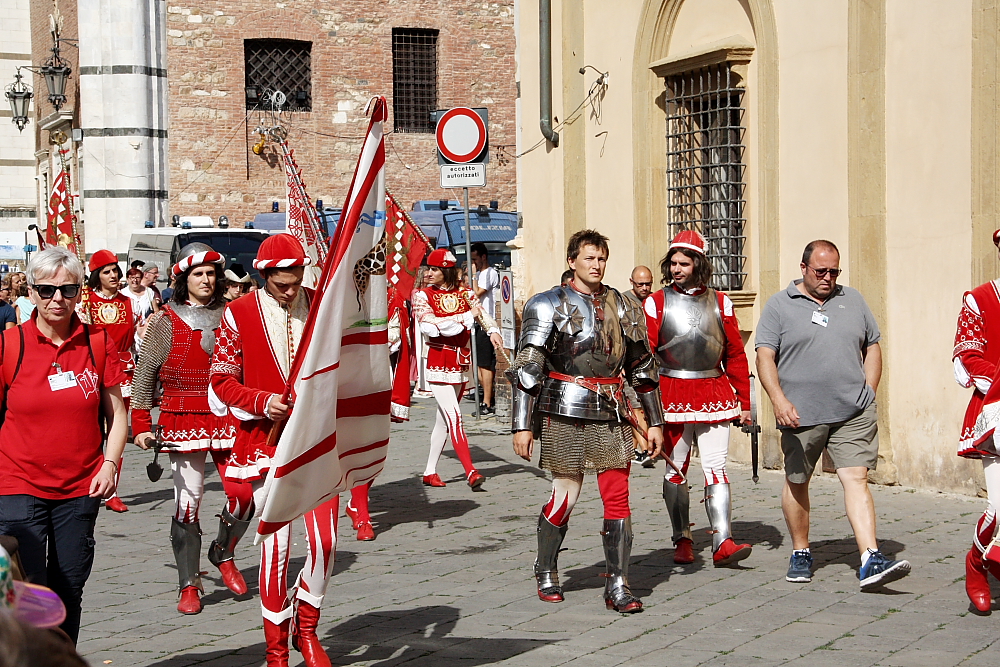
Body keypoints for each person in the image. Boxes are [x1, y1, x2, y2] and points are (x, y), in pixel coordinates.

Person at [510, 229, 666, 612]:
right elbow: (528, 368)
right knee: (566, 495)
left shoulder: (624, 305)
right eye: (589, 258)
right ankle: (545, 567)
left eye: (601, 259)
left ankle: (618, 583)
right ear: (572, 261)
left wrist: (655, 420)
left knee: (618, 497)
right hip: (565, 410)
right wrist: (522, 424)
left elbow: (641, 366)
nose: (596, 265)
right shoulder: (547, 304)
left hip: (613, 410)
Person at [209, 233, 339, 667]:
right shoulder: (238, 313)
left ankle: (307, 627)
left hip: (318, 440)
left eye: (296, 278)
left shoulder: (321, 304)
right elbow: (222, 380)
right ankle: (277, 650)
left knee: (324, 541)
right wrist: (263, 401)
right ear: (264, 276)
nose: (290, 289)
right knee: (276, 547)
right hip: (264, 442)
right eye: (281, 283)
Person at [755, 239, 911, 591]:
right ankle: (800, 550)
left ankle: (870, 557)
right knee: (798, 479)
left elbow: (872, 344)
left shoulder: (852, 299)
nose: (828, 277)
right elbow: (764, 356)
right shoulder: (780, 305)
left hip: (852, 411)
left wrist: (868, 390)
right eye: (820, 271)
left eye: (834, 271)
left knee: (856, 477)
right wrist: (778, 400)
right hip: (800, 413)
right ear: (803, 268)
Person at [0, 246, 128, 643]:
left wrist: (110, 464)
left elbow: (117, 413)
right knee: (30, 593)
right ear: (32, 292)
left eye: (68, 290)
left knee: (69, 589)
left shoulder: (96, 342)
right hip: (18, 483)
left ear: (79, 292)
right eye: (46, 290)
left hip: (80, 486)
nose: (58, 299)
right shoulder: (9, 345)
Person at [130, 243, 245, 615]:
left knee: (244, 492)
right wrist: (141, 424)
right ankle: (189, 584)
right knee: (188, 499)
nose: (207, 279)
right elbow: (145, 374)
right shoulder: (165, 320)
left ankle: (223, 551)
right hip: (184, 414)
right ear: (183, 279)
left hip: (229, 413)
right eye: (199, 273)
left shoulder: (233, 314)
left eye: (212, 273)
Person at [643, 231, 753, 567]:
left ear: (698, 264)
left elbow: (734, 354)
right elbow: (646, 355)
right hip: (672, 392)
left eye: (683, 263)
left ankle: (723, 540)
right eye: (673, 263)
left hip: (713, 391)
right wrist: (643, 404)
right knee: (676, 470)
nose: (676, 268)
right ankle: (682, 539)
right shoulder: (656, 302)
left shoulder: (721, 302)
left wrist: (745, 402)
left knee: (716, 467)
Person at [413, 248, 502, 490]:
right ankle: (470, 470)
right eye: (428, 269)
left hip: (461, 363)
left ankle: (430, 471)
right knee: (455, 417)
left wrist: (493, 331)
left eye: (434, 269)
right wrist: (465, 318)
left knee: (443, 421)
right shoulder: (421, 295)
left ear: (446, 271)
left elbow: (481, 314)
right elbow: (431, 327)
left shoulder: (464, 293)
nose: (429, 273)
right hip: (437, 361)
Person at [951, 229, 1000, 611]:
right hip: (995, 411)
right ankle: (977, 563)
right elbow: (968, 358)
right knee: (999, 508)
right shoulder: (979, 299)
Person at [79, 250, 136, 514]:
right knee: (92, 429)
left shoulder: (127, 301)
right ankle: (88, 481)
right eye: (106, 271)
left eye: (115, 270)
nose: (113, 275)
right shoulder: (86, 301)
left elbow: (134, 339)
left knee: (117, 426)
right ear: (96, 276)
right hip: (94, 367)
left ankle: (113, 489)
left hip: (122, 370)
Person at [470, 242, 500, 415]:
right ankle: (488, 395)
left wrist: (473, 275)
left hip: (487, 321)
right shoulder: (480, 273)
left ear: (483, 257)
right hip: (476, 321)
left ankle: (487, 402)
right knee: (477, 364)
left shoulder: (490, 273)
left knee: (485, 364)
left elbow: (476, 294)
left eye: (475, 259)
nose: (474, 263)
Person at [123, 267, 159, 344]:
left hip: (145, 331)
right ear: (127, 279)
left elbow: (156, 311)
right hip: (128, 332)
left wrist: (151, 319)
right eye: (132, 278)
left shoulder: (149, 292)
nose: (135, 280)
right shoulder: (122, 293)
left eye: (137, 278)